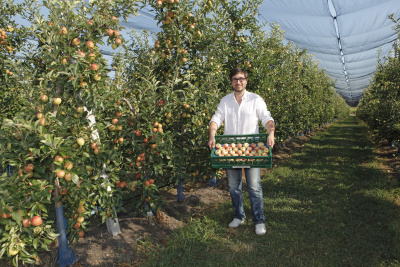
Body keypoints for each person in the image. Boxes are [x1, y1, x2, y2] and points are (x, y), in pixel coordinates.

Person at [208, 67, 275, 236]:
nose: (238, 82)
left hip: (251, 150)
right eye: (235, 79)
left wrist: (271, 132)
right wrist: (212, 134)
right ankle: (239, 216)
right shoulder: (225, 101)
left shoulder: (255, 99)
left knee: (254, 187)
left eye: (241, 78)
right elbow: (216, 118)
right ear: (231, 81)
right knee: (233, 187)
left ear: (246, 80)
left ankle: (259, 220)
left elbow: (266, 118)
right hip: (230, 150)